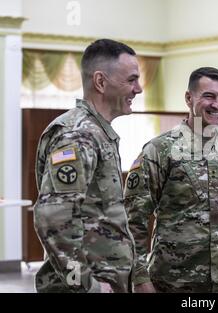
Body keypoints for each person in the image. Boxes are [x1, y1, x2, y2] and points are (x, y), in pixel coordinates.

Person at [124, 67, 218, 293]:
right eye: (209, 96)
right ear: (188, 98)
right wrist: (140, 278)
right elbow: (134, 220)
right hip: (173, 282)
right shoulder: (160, 150)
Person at [33, 39, 142, 293]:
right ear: (101, 82)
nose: (139, 89)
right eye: (131, 80)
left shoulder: (97, 132)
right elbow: (53, 220)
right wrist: (86, 286)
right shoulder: (79, 135)